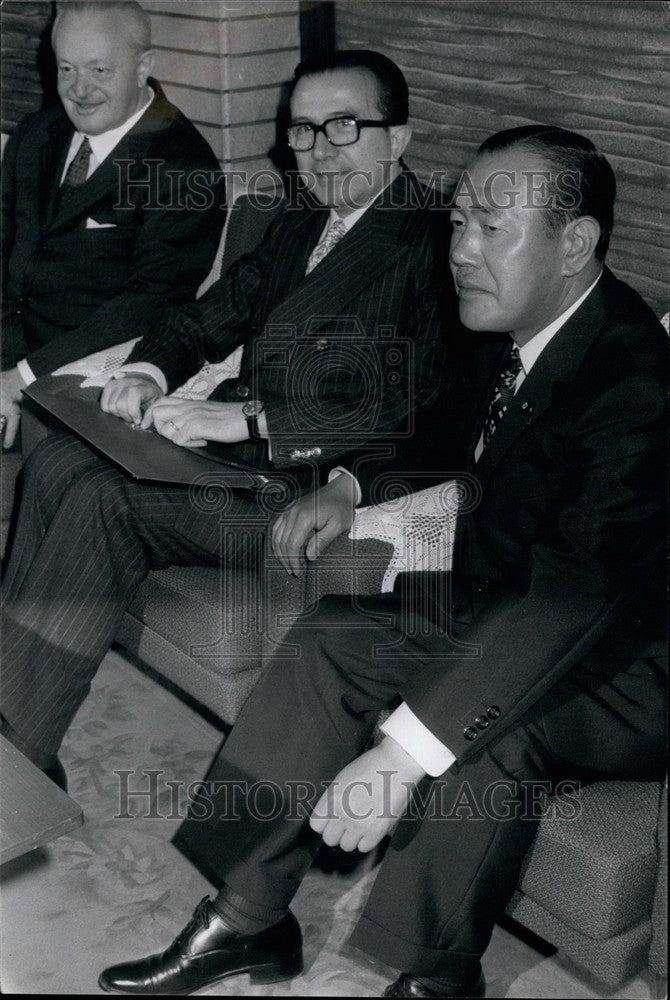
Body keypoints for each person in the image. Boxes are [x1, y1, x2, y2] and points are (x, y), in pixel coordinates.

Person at [95, 125, 666, 998]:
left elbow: (566, 595)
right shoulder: (508, 318)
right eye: (458, 222)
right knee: (332, 636)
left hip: (628, 663)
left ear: (575, 243)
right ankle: (247, 918)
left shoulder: (637, 385)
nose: (461, 249)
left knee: (487, 735)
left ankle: (434, 978)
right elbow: (438, 427)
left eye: (491, 228)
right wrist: (350, 485)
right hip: (507, 602)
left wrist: (400, 755)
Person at [0, 50, 450, 788]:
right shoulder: (303, 217)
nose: (319, 150)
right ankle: (15, 713)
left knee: (105, 499)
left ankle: (17, 757)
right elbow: (216, 311)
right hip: (236, 459)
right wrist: (148, 371)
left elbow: (417, 399)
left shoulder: (436, 241)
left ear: (398, 136)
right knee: (55, 461)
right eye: (303, 130)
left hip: (304, 483)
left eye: (343, 126)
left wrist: (248, 419)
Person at [0, 0, 223, 450]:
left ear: (143, 67)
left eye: (99, 70)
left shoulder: (184, 166)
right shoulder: (37, 132)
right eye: (67, 69)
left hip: (81, 381)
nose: (79, 90)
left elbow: (150, 304)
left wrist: (19, 378)